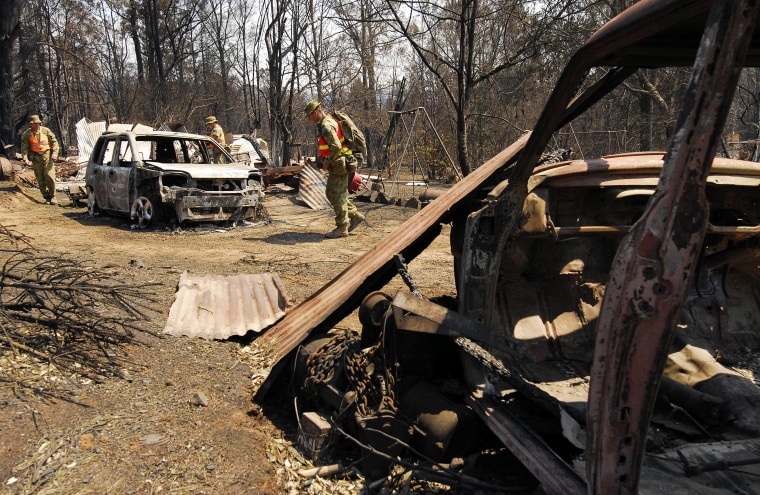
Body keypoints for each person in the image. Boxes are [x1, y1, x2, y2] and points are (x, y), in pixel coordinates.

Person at [304, 100, 365, 238]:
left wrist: (328, 162)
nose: (309, 119)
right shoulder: (330, 121)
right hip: (342, 161)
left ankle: (342, 227)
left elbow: (336, 147)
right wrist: (324, 156)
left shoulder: (326, 125)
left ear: (315, 112)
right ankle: (354, 215)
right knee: (338, 194)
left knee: (334, 194)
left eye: (309, 116)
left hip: (339, 163)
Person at [21, 115, 60, 205]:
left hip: (47, 156)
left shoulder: (46, 131)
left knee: (49, 175)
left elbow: (54, 142)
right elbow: (24, 148)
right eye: (35, 123)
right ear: (31, 124)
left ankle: (53, 195)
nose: (37, 125)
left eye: (38, 123)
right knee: (40, 178)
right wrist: (25, 158)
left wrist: (55, 153)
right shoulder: (27, 134)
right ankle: (46, 197)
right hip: (36, 158)